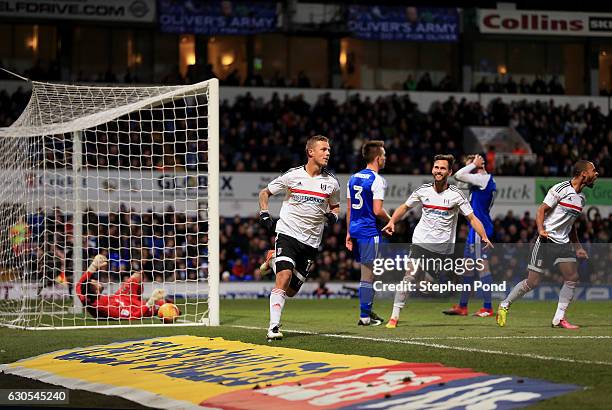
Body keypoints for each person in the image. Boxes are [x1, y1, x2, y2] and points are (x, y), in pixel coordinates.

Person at [381, 154, 493, 328]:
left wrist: (484, 236)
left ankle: (425, 279)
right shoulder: (423, 190)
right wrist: (391, 221)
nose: (438, 171)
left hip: (443, 250)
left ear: (449, 172)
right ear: (432, 169)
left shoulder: (456, 195)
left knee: (433, 286)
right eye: (436, 167)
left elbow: (472, 218)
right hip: (420, 241)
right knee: (408, 277)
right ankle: (394, 317)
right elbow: (404, 206)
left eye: (442, 168)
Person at [497, 160, 598, 329]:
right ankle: (504, 304)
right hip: (546, 240)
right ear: (583, 174)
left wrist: (578, 247)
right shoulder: (561, 189)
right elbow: (541, 210)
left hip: (563, 244)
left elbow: (571, 225)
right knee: (532, 282)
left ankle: (559, 318)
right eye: (593, 170)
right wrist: (540, 230)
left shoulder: (581, 199)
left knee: (572, 277)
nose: (597, 174)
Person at [258, 135, 340, 340]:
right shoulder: (292, 176)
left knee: (292, 291)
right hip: (287, 233)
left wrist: (333, 216)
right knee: (283, 278)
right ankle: (273, 328)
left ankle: (272, 258)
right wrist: (264, 214)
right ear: (310, 152)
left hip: (311, 242)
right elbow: (264, 193)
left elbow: (336, 206)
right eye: (323, 149)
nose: (328, 153)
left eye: (329, 150)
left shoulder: (331, 183)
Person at [443, 154, 497, 317]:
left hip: (481, 229)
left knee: (482, 267)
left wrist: (473, 164)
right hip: (474, 230)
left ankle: (488, 307)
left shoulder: (484, 179)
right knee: (467, 269)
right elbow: (459, 181)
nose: (470, 170)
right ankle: (463, 306)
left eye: (472, 166)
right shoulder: (481, 181)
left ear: (479, 165)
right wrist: (472, 165)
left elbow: (459, 175)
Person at [346, 140, 391, 326]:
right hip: (368, 232)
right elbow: (377, 210)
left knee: (370, 274)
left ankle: (367, 310)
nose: (386, 159)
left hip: (356, 230)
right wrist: (391, 220)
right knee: (368, 275)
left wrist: (348, 233)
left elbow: (349, 209)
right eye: (384, 156)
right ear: (378, 158)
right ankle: (365, 317)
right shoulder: (377, 180)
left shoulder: (353, 178)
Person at [76, 254, 168, 320]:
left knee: (137, 276)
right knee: (164, 305)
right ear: (96, 291)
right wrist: (150, 301)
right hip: (128, 307)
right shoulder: (107, 309)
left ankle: (138, 299)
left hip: (120, 296)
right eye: (94, 282)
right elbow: (133, 317)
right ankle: (143, 303)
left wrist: (94, 266)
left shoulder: (85, 295)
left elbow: (79, 285)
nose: (95, 280)